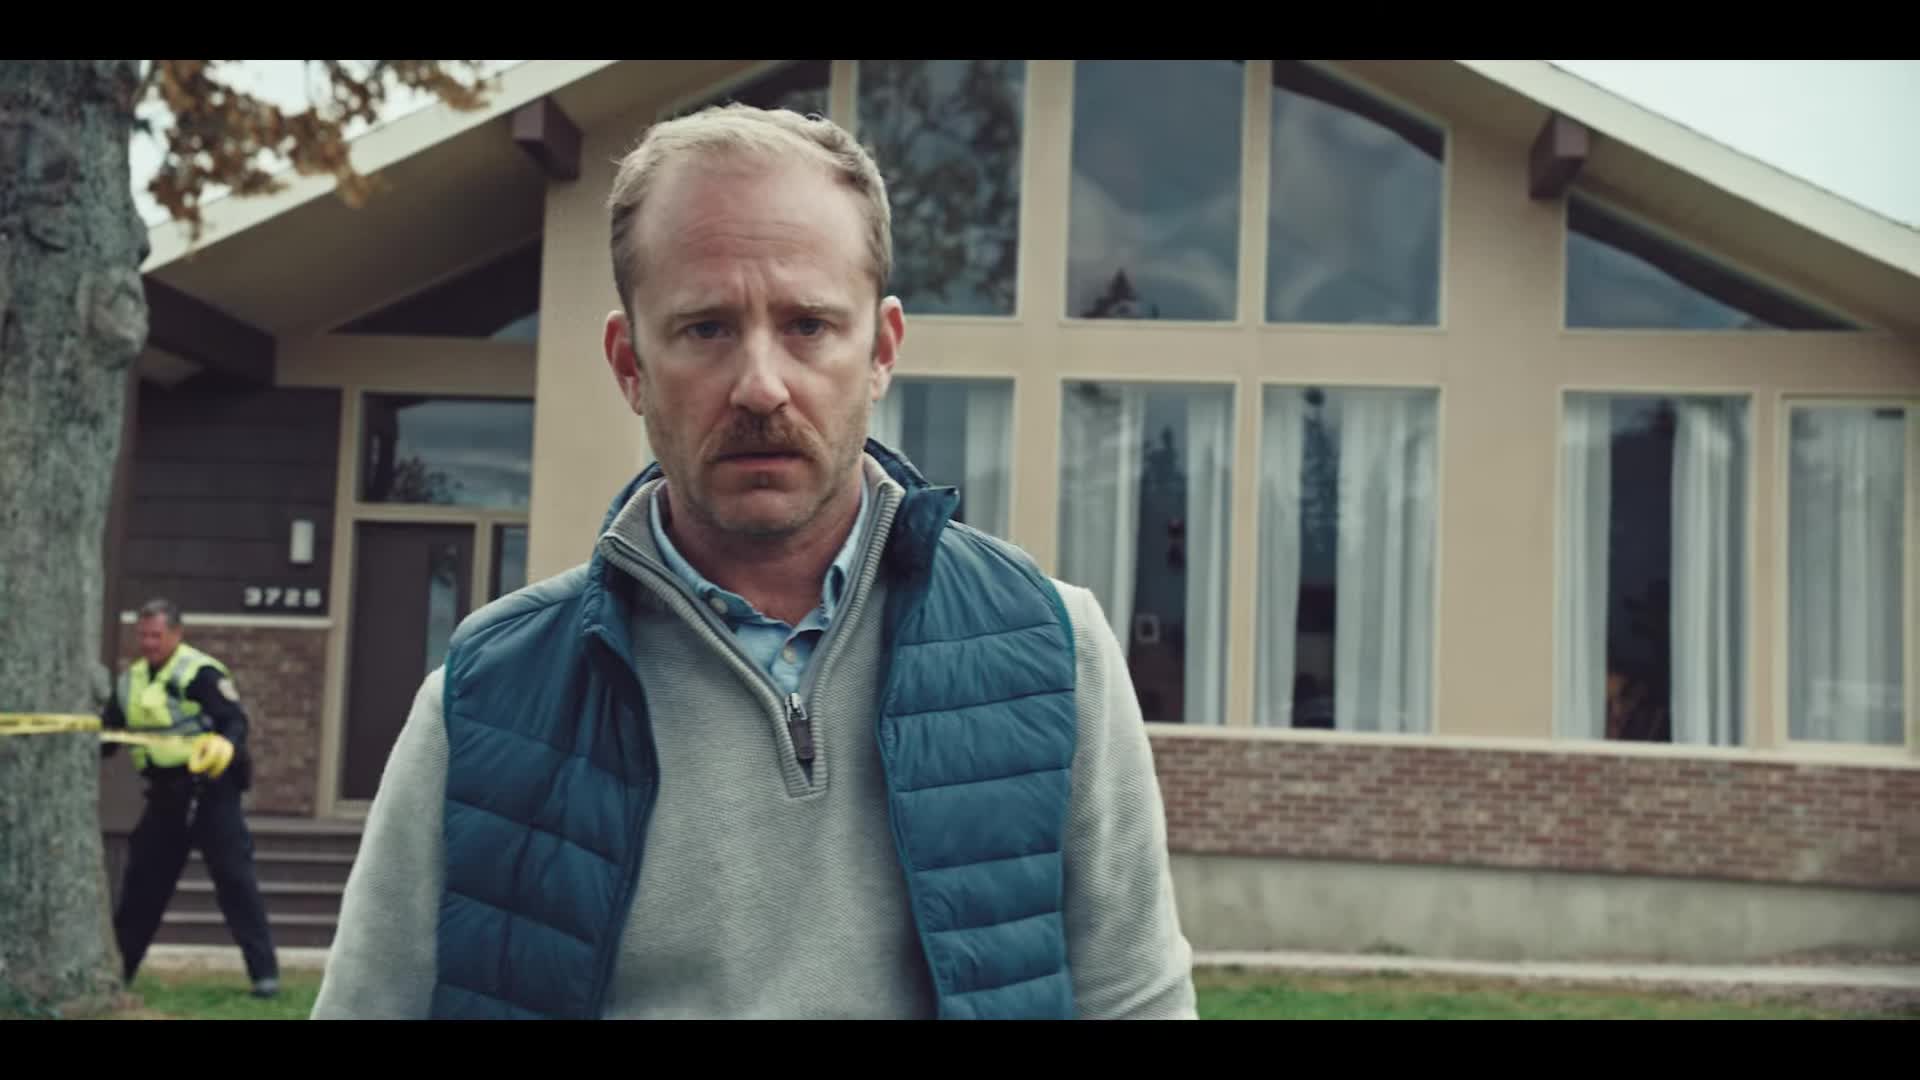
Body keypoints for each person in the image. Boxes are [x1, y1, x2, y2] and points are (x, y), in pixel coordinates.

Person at [312, 102, 1196, 1020]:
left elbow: (1136, 1003)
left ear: (882, 350)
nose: (761, 386)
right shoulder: (487, 701)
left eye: (809, 324)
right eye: (706, 328)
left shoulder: (1054, 651)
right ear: (629, 363)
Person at [103, 598, 280, 998]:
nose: (149, 643)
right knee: (142, 886)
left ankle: (264, 975)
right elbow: (108, 734)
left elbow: (235, 721)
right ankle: (119, 974)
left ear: (176, 634)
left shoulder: (198, 672)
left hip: (210, 792)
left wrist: (224, 746)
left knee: (235, 880)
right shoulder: (130, 682)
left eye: (156, 635)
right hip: (164, 797)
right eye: (143, 635)